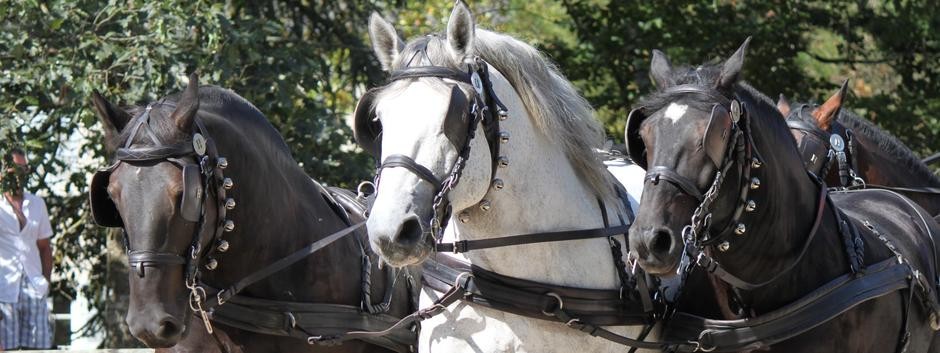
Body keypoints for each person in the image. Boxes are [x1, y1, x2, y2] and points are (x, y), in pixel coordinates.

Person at [0, 147, 53, 350]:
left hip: (34, 286)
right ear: (4, 172)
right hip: (4, 290)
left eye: (24, 169)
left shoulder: (37, 204)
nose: (20, 174)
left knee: (39, 348)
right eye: (15, 169)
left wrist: (45, 282)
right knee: (8, 349)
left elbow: (45, 248)